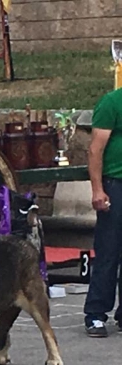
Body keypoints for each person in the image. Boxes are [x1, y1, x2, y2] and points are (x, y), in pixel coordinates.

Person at [84, 86, 122, 337]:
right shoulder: (111, 103)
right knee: (108, 250)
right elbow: (95, 150)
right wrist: (97, 189)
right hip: (115, 183)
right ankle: (96, 314)